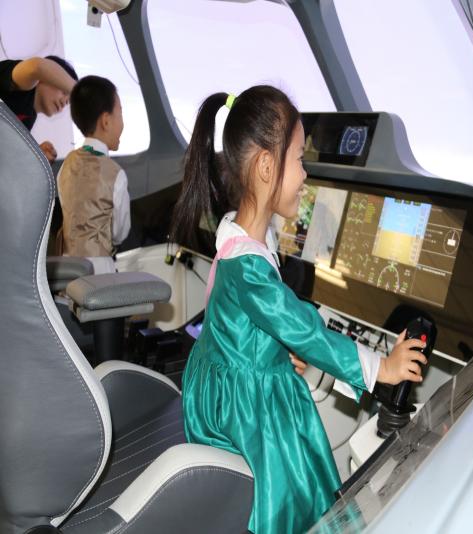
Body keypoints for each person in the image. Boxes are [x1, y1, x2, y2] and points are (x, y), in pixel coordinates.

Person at [171, 86, 427, 534]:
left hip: (222, 379)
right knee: (298, 488)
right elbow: (307, 331)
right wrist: (382, 368)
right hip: (246, 407)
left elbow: (244, 320)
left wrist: (269, 349)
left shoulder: (236, 232)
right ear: (266, 166)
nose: (306, 174)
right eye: (299, 159)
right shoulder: (249, 268)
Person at [57, 75, 130, 274]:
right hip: (100, 271)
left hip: (66, 271)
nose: (123, 123)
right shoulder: (115, 174)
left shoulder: (66, 165)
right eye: (120, 113)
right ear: (106, 121)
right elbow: (120, 233)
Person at [0, 55, 78, 163]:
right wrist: (79, 90)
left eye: (67, 102)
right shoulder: (23, 85)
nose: (63, 102)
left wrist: (33, 154)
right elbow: (37, 67)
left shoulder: (28, 119)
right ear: (47, 77)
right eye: (64, 92)